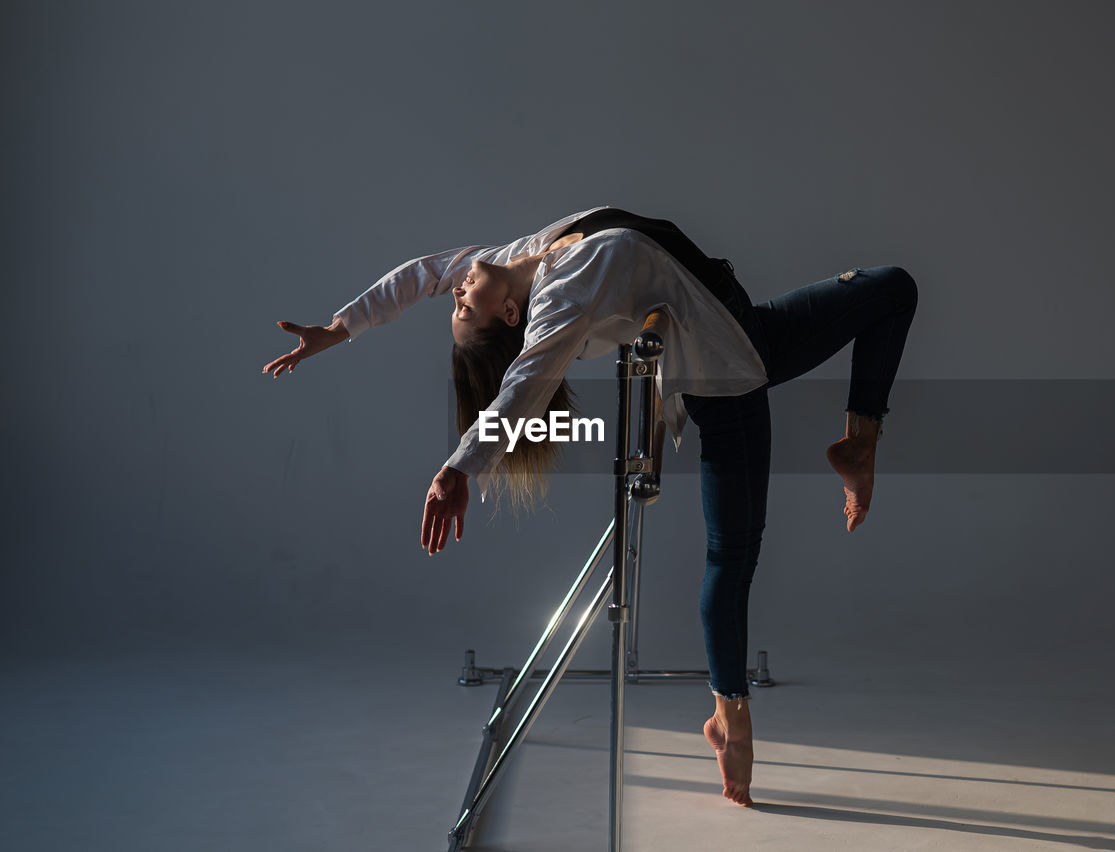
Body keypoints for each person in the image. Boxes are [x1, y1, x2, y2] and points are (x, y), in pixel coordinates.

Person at [261, 204, 919, 807]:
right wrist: (460, 466)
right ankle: (732, 718)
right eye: (464, 305)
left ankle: (859, 445)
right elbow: (522, 387)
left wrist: (338, 328)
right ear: (510, 318)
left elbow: (418, 276)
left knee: (893, 288)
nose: (457, 288)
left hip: (735, 318)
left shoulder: (526, 253)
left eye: (457, 300)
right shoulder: (557, 298)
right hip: (729, 370)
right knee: (734, 554)